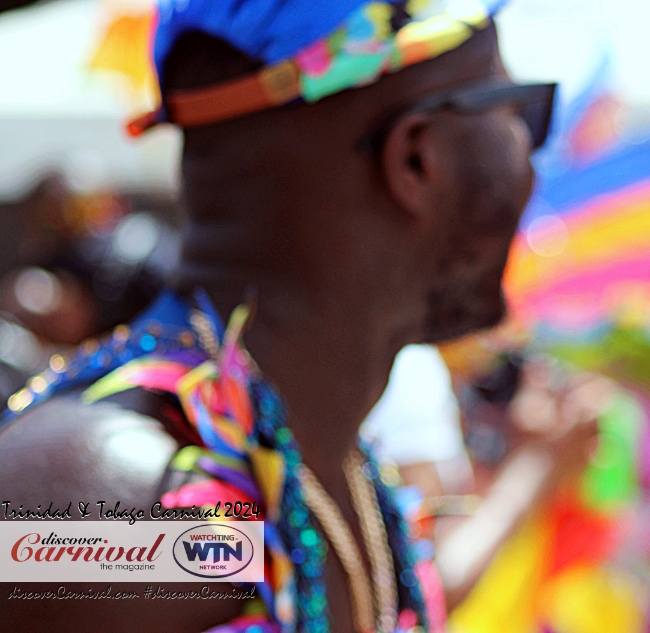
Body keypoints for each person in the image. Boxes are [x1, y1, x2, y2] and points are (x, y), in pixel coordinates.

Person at [0, 1, 559, 632]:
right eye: (523, 113)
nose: (534, 160)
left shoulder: (325, 464)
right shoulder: (115, 496)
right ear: (416, 159)